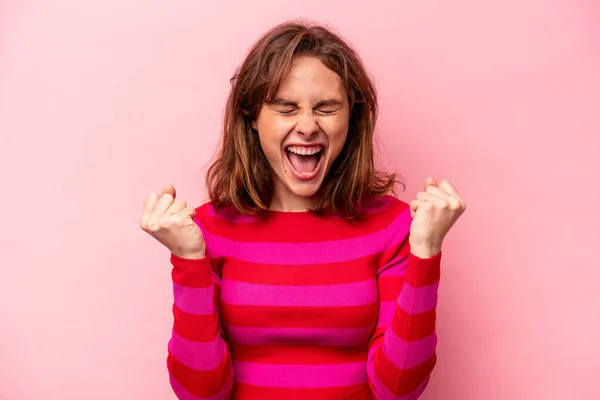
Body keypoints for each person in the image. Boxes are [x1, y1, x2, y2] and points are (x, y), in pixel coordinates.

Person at [140, 20, 466, 400]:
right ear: (252, 118)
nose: (307, 127)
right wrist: (189, 260)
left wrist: (425, 252)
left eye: (326, 107)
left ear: (352, 117)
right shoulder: (207, 230)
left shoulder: (393, 226)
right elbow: (201, 393)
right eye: (286, 108)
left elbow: (398, 390)